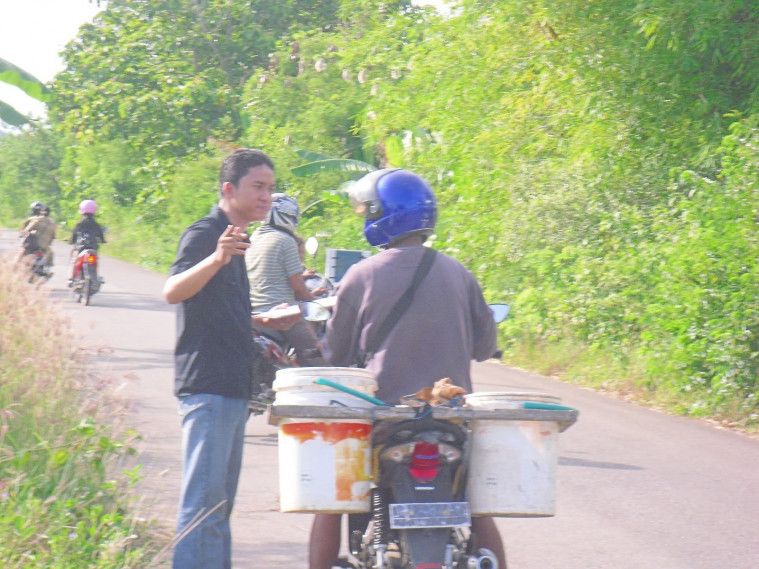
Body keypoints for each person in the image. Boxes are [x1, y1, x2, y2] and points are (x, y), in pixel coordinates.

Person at [308, 168, 507, 569]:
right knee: (479, 507)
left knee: (330, 501)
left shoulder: (360, 275)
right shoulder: (459, 273)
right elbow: (486, 346)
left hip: (384, 421)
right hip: (450, 420)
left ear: (382, 216)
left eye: (368, 211)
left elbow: (334, 357)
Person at [162, 148, 299, 569]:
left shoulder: (240, 239)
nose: (266, 196)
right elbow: (172, 291)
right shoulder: (207, 234)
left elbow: (215, 305)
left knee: (218, 510)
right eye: (258, 187)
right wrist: (217, 257)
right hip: (208, 385)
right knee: (201, 508)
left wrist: (259, 320)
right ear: (228, 189)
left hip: (233, 387)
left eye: (271, 188)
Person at [245, 193, 327, 366]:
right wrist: (317, 303)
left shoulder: (254, 238)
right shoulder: (286, 240)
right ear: (288, 215)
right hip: (281, 313)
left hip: (253, 313)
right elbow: (298, 287)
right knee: (317, 358)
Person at [68, 199, 106, 284]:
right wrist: (103, 241)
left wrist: (71, 241)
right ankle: (95, 276)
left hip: (81, 248)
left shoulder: (79, 224)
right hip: (93, 248)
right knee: (95, 261)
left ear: (82, 210)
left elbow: (74, 235)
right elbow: (101, 236)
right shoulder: (96, 224)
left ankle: (70, 279)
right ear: (94, 210)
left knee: (74, 260)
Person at [18, 201, 56, 266]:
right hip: (44, 247)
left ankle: (15, 266)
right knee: (50, 253)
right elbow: (53, 236)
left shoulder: (35, 220)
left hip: (33, 245)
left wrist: (22, 234)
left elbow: (25, 229)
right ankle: (47, 268)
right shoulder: (53, 223)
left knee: (21, 252)